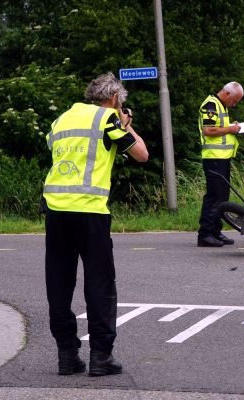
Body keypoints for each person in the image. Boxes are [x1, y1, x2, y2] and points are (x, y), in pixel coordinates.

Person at [42, 72, 148, 376]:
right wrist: (125, 123)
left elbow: (55, 149)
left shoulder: (63, 119)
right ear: (114, 99)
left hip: (57, 211)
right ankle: (101, 356)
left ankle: (66, 355)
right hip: (91, 213)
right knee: (100, 284)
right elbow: (141, 154)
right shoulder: (107, 120)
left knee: (59, 284)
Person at [197, 81, 244, 247]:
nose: (235, 104)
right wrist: (230, 129)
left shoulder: (221, 105)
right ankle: (205, 234)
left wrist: (231, 127)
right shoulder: (211, 104)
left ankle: (216, 231)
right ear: (227, 94)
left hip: (222, 158)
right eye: (235, 100)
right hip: (213, 158)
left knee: (222, 197)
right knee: (214, 196)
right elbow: (208, 131)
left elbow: (219, 127)